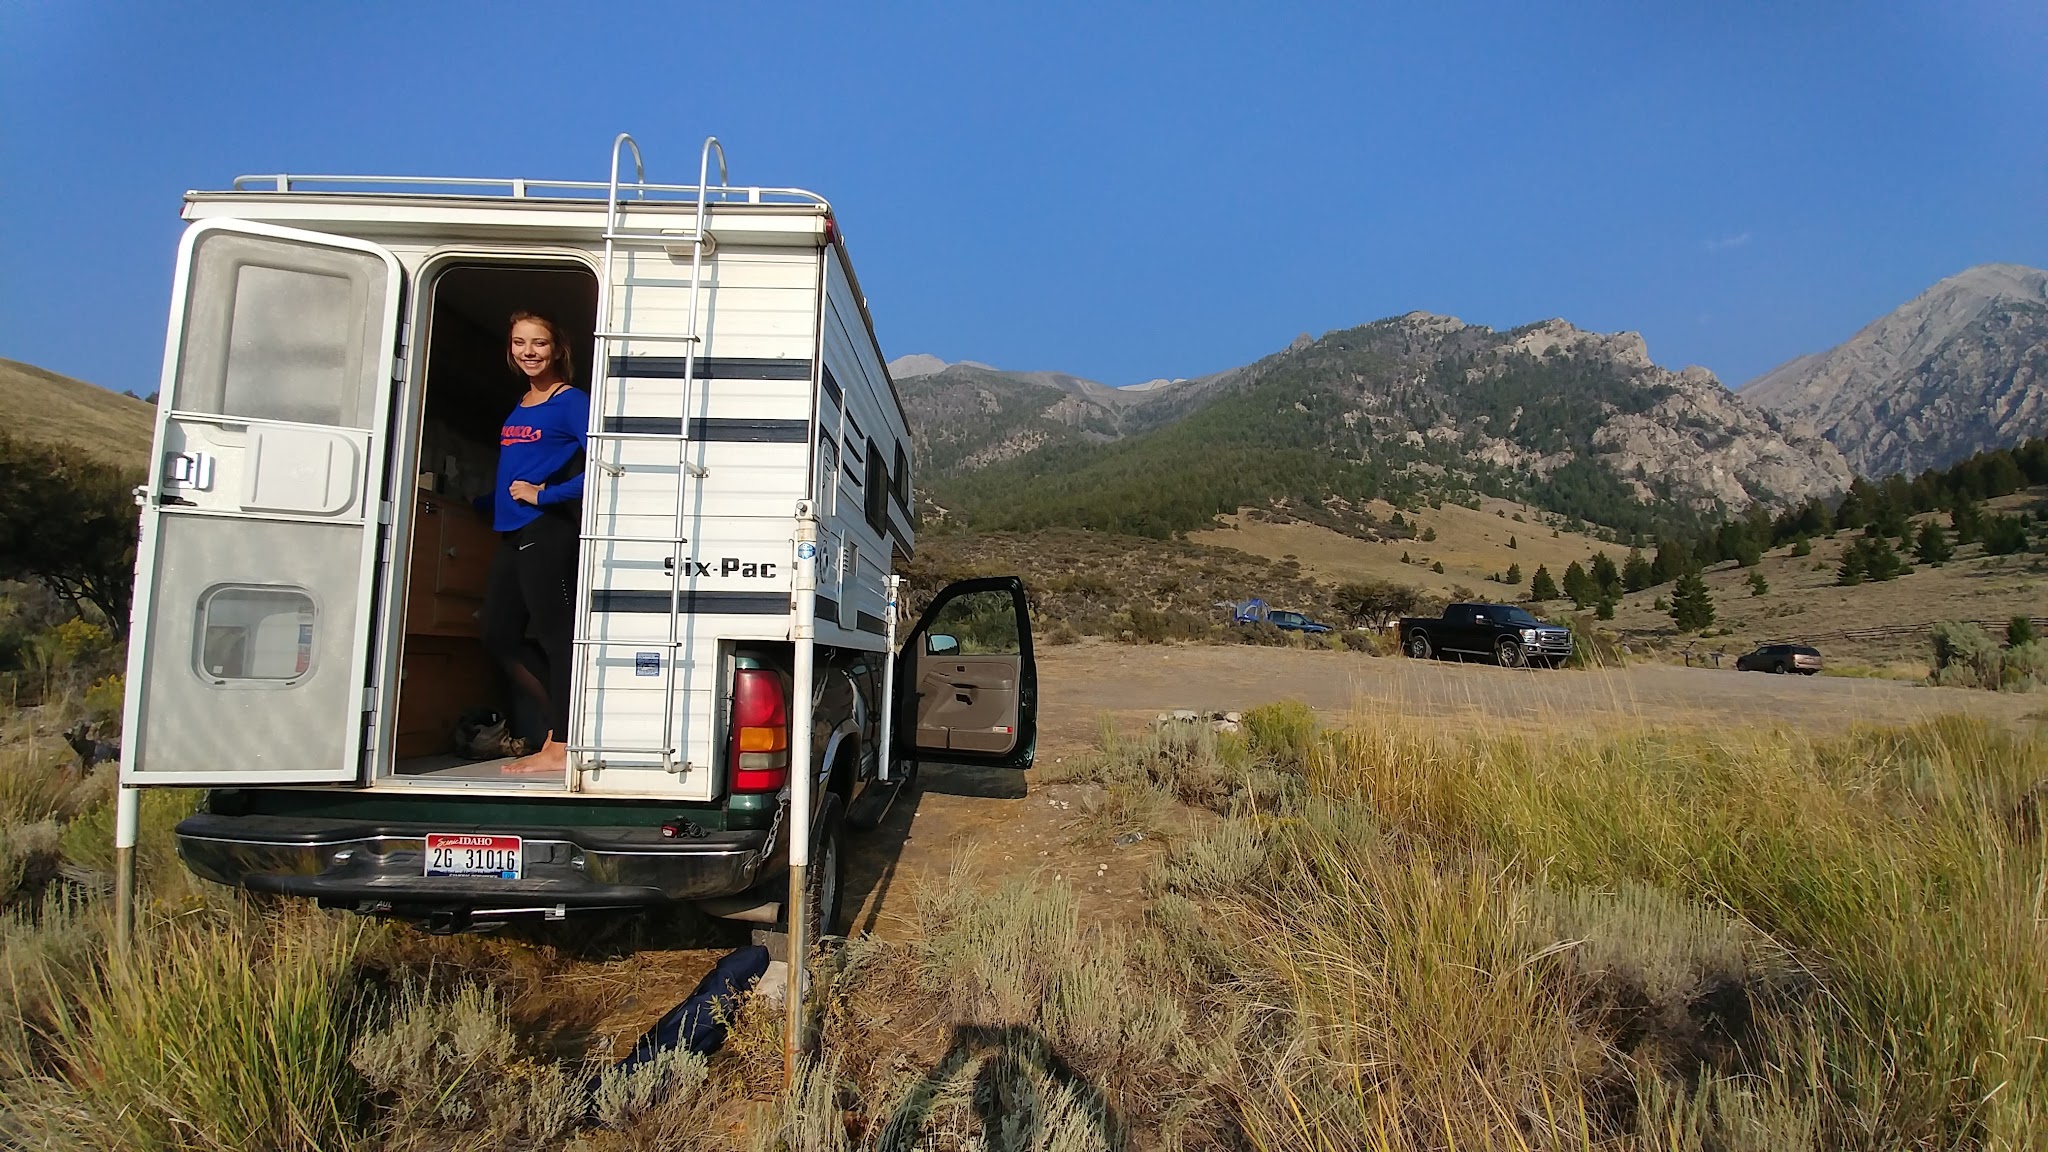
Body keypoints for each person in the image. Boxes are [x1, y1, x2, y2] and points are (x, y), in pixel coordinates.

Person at [480, 312, 587, 775]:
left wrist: (546, 493)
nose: (529, 351)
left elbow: (605, 459)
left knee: (554, 636)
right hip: (513, 530)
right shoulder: (522, 402)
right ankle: (555, 728)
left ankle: (562, 742)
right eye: (520, 342)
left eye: (539, 343)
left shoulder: (570, 402)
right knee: (498, 635)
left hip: (548, 527)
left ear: (557, 348)